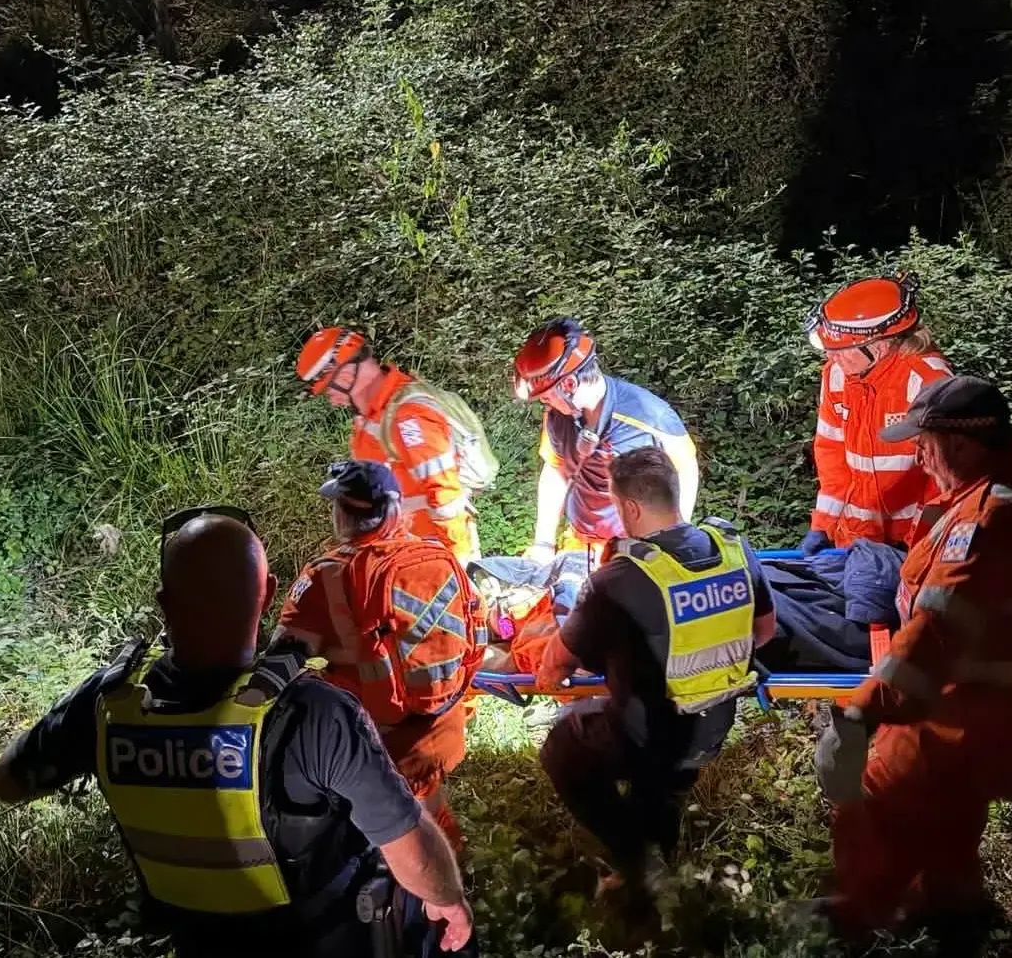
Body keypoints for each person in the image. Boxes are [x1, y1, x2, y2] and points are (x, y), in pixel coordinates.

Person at [0, 510, 476, 958]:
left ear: (164, 602)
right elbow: (412, 852)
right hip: (320, 939)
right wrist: (449, 900)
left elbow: (7, 783)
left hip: (198, 940)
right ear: (268, 594)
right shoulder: (314, 711)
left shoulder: (107, 702)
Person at [814, 376, 1012, 937]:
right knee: (950, 806)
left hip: (974, 706)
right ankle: (950, 908)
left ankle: (855, 922)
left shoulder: (988, 520)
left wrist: (860, 712)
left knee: (876, 799)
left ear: (962, 444)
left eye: (925, 442)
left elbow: (936, 631)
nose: (918, 455)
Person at [533, 447, 776, 906]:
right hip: (714, 726)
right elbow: (764, 632)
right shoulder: (732, 547)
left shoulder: (617, 578)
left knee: (564, 744)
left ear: (627, 507)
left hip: (647, 736)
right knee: (660, 789)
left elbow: (553, 668)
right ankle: (652, 874)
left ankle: (638, 862)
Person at [275, 461, 483, 850]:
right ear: (395, 511)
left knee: (384, 847)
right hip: (444, 726)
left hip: (374, 742)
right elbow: (476, 628)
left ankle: (413, 885)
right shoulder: (437, 556)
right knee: (426, 811)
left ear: (340, 514)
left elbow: (283, 657)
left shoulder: (327, 575)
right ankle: (453, 857)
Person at [512, 318, 699, 564]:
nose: (546, 404)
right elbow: (557, 470)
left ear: (569, 384)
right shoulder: (557, 417)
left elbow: (686, 470)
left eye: (547, 397)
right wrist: (543, 543)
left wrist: (674, 541)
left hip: (636, 549)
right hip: (582, 542)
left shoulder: (650, 415)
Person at [297, 328, 489, 563]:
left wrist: (458, 561)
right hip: (401, 550)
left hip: (433, 552)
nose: (330, 398)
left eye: (328, 388)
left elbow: (446, 497)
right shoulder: (370, 416)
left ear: (346, 376)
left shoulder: (409, 416)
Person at [803, 274, 954, 553]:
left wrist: (918, 547)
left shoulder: (927, 383)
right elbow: (831, 456)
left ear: (880, 346)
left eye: (839, 350)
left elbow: (943, 480)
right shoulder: (837, 376)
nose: (830, 359)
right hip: (855, 539)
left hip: (916, 541)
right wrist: (823, 525)